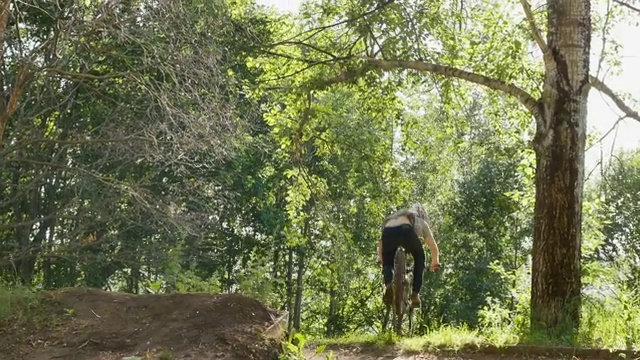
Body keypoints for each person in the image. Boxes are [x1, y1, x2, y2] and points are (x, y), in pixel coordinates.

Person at [376, 203, 440, 308]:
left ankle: (388, 285)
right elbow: (431, 243)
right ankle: (415, 294)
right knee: (420, 257)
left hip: (388, 230)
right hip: (405, 229)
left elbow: (381, 242)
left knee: (388, 262)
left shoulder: (395, 217)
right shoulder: (420, 221)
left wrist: (380, 257)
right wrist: (435, 260)